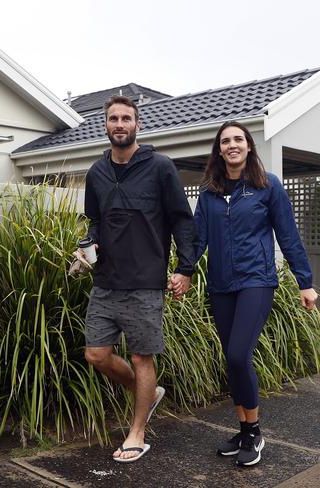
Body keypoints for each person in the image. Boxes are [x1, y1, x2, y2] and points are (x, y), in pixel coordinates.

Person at [75, 95, 197, 463]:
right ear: (106, 125)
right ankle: (148, 392)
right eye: (113, 118)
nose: (119, 124)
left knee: (142, 358)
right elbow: (93, 220)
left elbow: (181, 219)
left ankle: (137, 432)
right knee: (96, 354)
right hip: (106, 280)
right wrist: (88, 245)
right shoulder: (96, 172)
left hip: (145, 281)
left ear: (137, 125)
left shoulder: (160, 167)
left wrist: (185, 268)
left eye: (126, 118)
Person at [190, 120, 318, 467]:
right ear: (219, 150)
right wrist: (182, 271)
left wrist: (304, 281)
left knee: (237, 354)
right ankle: (243, 429)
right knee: (232, 360)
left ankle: (255, 432)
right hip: (220, 285)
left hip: (256, 282)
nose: (232, 145)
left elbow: (288, 236)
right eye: (225, 141)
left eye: (238, 139)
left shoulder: (267, 186)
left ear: (248, 146)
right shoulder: (208, 192)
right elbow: (197, 238)